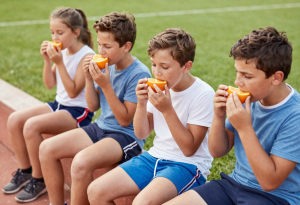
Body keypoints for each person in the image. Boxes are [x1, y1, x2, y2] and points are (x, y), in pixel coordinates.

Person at [163, 27, 300, 205]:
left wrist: (244, 128)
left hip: (274, 198)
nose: (237, 82)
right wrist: (219, 116)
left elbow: (269, 182)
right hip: (232, 185)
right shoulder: (249, 98)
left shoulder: (295, 115)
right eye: (237, 72)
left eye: (247, 76)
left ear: (276, 78)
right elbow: (217, 151)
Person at [86, 28, 215, 205]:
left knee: (141, 203)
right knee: (95, 191)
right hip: (153, 157)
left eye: (165, 67)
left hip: (187, 165)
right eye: (154, 64)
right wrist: (141, 103)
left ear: (186, 66)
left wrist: (167, 109)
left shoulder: (203, 93)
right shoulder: (158, 88)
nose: (157, 73)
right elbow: (141, 133)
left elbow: (189, 149)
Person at [39, 11, 151, 205]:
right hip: (101, 126)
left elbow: (125, 120)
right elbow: (93, 106)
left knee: (81, 162)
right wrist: (90, 80)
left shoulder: (139, 73)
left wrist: (106, 85)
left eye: (107, 46)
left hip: (125, 136)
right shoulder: (107, 64)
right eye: (99, 44)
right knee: (47, 148)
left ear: (126, 46)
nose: (101, 51)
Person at [2, 7, 95, 203]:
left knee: (31, 126)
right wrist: (47, 61)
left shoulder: (86, 55)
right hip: (59, 104)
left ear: (76, 32)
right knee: (14, 120)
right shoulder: (64, 51)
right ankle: (26, 171)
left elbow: (72, 91)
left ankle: (40, 179)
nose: (55, 37)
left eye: (60, 33)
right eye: (52, 32)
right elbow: (49, 84)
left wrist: (59, 62)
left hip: (78, 112)